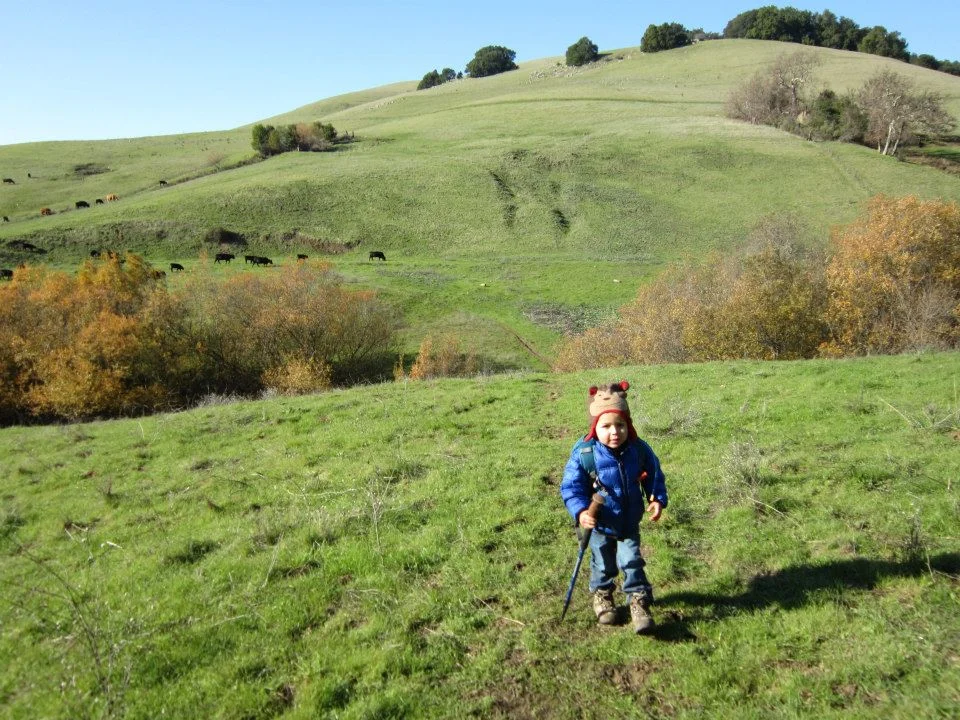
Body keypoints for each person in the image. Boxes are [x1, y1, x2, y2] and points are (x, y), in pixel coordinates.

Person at [560, 381, 668, 634]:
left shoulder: (639, 450)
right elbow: (571, 487)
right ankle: (603, 596)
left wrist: (656, 499)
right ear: (594, 427)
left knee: (631, 561)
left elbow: (654, 475)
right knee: (603, 565)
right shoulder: (585, 453)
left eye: (620, 425)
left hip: (628, 522)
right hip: (599, 524)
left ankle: (638, 602)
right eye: (606, 426)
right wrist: (581, 511)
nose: (614, 432)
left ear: (628, 425)